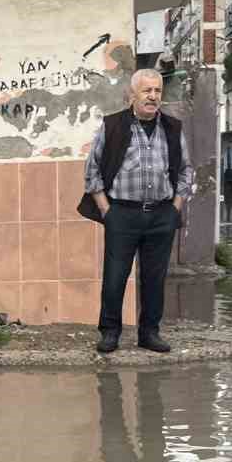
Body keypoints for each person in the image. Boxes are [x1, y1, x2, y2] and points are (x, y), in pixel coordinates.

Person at [84, 69, 192, 354]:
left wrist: (175, 208)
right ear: (132, 95)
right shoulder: (113, 125)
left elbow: (185, 171)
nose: (153, 96)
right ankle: (110, 333)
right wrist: (107, 210)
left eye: (157, 91)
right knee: (115, 277)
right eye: (146, 91)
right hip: (122, 213)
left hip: (161, 215)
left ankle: (149, 333)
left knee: (155, 279)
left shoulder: (173, 128)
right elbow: (92, 169)